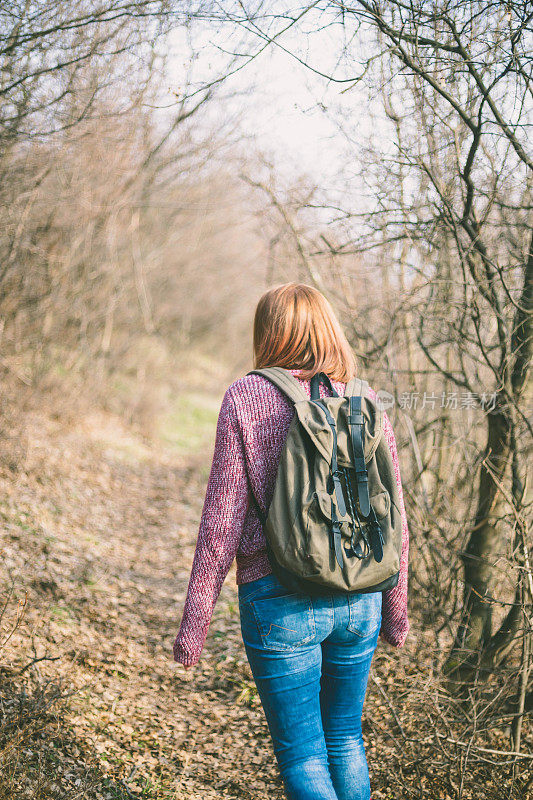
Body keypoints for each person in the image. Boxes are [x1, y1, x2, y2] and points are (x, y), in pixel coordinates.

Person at [173, 282, 410, 800]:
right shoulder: (364, 398)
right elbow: (393, 512)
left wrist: (195, 625)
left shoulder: (247, 397)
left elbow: (221, 522)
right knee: (346, 739)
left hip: (277, 598)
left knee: (303, 753)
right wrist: (396, 608)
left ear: (270, 334)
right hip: (360, 596)